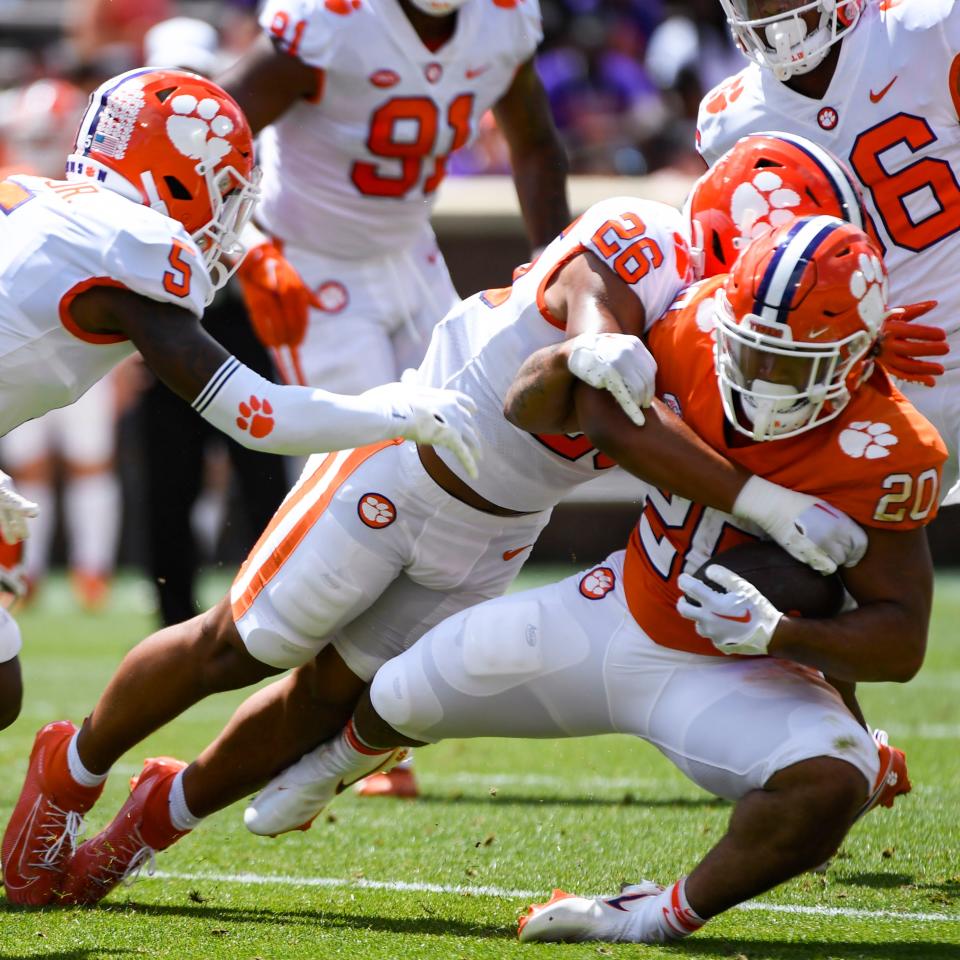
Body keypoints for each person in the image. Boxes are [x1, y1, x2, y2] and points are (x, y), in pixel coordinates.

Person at [3, 135, 882, 907]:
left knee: (332, 691)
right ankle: (69, 772)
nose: (768, 306)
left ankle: (147, 828)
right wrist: (757, 494)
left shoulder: (746, 343)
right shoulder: (645, 239)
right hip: (413, 461)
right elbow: (577, 353)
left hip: (505, 523)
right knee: (245, 645)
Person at [250, 217, 944, 946]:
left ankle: (651, 916)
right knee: (399, 688)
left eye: (792, 366)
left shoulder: (890, 449)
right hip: (618, 608)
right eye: (752, 351)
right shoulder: (695, 331)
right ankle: (341, 760)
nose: (762, 380)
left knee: (835, 780)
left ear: (856, 357)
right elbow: (539, 406)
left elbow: (901, 642)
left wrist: (782, 633)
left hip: (738, 675)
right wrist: (582, 353)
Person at [0, 67, 481, 745]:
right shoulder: (127, 244)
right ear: (175, 170)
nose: (228, 212)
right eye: (224, 188)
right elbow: (258, 418)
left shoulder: (36, 197)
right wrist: (396, 411)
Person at [220, 0, 571, 391]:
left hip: (413, 254)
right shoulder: (329, 21)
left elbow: (536, 144)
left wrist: (551, 264)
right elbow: (206, 135)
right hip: (312, 262)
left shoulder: (503, 17)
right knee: (358, 444)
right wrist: (248, 247)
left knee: (465, 424)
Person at [696, 0, 960, 504]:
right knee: (843, 562)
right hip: (871, 378)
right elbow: (766, 275)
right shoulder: (728, 120)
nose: (772, 10)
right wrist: (858, 334)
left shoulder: (927, 29)